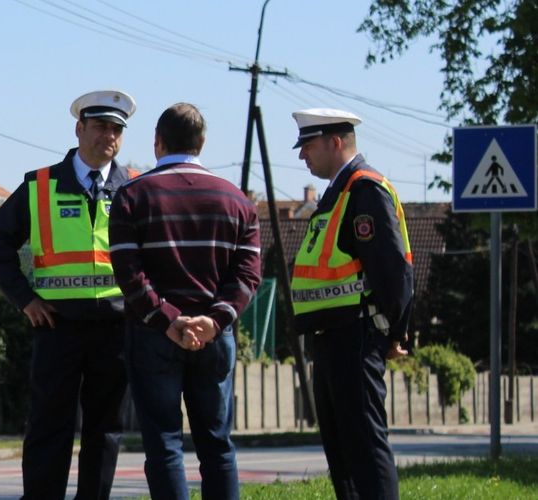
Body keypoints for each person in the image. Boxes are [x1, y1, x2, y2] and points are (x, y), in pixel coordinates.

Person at [0, 89, 138, 499]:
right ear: (79, 128)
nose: (110, 135)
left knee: (105, 431)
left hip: (116, 328)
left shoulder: (134, 190)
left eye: (117, 128)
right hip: (58, 327)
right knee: (50, 425)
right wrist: (24, 299)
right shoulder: (40, 186)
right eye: (101, 126)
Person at [108, 103, 260, 500]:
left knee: (164, 445)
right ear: (202, 143)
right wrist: (214, 320)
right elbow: (248, 276)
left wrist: (169, 321)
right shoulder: (239, 202)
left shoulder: (131, 196)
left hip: (153, 336)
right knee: (217, 444)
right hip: (214, 338)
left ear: (157, 142)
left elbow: (128, 273)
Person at [288, 108, 413, 500]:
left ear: (335, 142)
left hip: (357, 338)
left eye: (308, 145)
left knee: (365, 448)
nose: (301, 155)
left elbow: (394, 270)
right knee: (342, 453)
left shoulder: (364, 191)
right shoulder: (335, 195)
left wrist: (395, 331)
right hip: (331, 340)